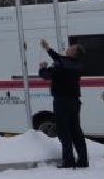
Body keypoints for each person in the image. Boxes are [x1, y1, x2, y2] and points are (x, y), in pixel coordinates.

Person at [38, 37, 88, 169]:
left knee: (64, 131)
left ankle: (68, 161)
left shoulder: (62, 64)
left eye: (72, 48)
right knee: (76, 131)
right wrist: (48, 49)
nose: (69, 47)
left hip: (62, 101)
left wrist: (42, 68)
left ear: (73, 53)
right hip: (74, 102)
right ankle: (83, 160)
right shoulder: (77, 64)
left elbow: (47, 75)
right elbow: (59, 58)